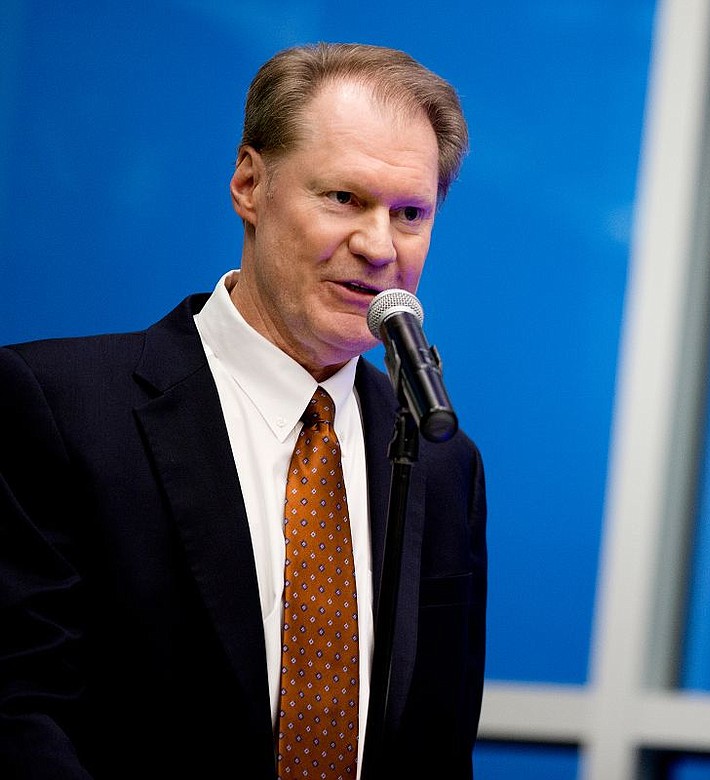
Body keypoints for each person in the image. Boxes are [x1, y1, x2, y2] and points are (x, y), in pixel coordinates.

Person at [0, 43, 486, 779]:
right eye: (344, 199)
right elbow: (18, 710)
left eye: (410, 213)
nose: (378, 245)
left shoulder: (440, 457)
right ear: (250, 184)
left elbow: (439, 748)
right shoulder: (59, 406)